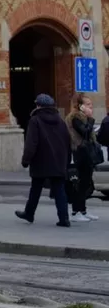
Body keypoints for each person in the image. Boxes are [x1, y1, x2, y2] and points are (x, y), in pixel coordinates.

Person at [16, 93, 72, 228]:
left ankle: (29, 213)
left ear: (38, 105)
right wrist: (67, 160)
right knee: (59, 189)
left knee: (35, 188)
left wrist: (26, 160)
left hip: (40, 160)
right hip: (59, 160)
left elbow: (31, 143)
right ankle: (64, 218)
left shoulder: (35, 120)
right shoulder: (60, 121)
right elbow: (67, 142)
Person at [66, 92, 100, 223]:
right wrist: (90, 120)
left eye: (91, 104)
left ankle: (83, 210)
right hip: (79, 154)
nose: (91, 107)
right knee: (79, 184)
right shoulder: (75, 118)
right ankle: (75, 212)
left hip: (86, 154)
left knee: (86, 183)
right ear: (79, 106)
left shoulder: (83, 118)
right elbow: (85, 132)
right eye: (88, 104)